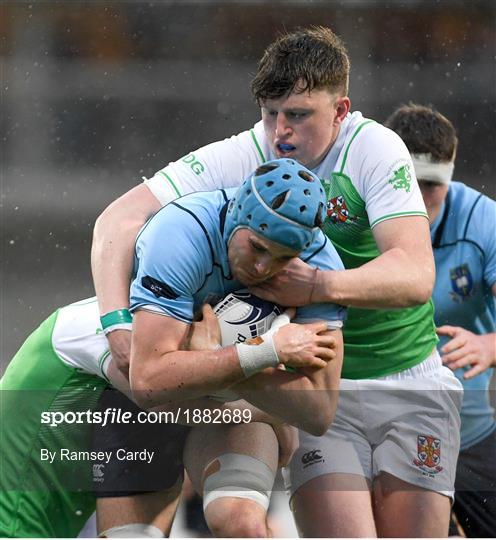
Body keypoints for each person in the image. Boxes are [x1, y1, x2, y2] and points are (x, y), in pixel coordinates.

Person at [92, 26, 462, 537]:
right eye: (270, 114)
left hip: (408, 377)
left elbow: (416, 275)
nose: (280, 132)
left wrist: (316, 288)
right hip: (316, 383)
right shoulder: (249, 154)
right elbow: (118, 220)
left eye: (298, 114)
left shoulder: (375, 149)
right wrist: (116, 324)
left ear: (340, 110)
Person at [0, 158, 344, 538]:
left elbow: (318, 413)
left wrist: (235, 367)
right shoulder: (177, 240)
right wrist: (266, 362)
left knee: (243, 527)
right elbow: (153, 387)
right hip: (99, 415)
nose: (264, 268)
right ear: (235, 219)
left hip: (184, 404)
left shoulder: (318, 267)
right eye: (258, 247)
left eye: (283, 259)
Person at [385, 103, 496, 538]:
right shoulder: (352, 218)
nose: (418, 196)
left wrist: (489, 345)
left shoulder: (482, 219)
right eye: (407, 182)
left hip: (471, 432)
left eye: (431, 185)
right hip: (384, 437)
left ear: (450, 179)